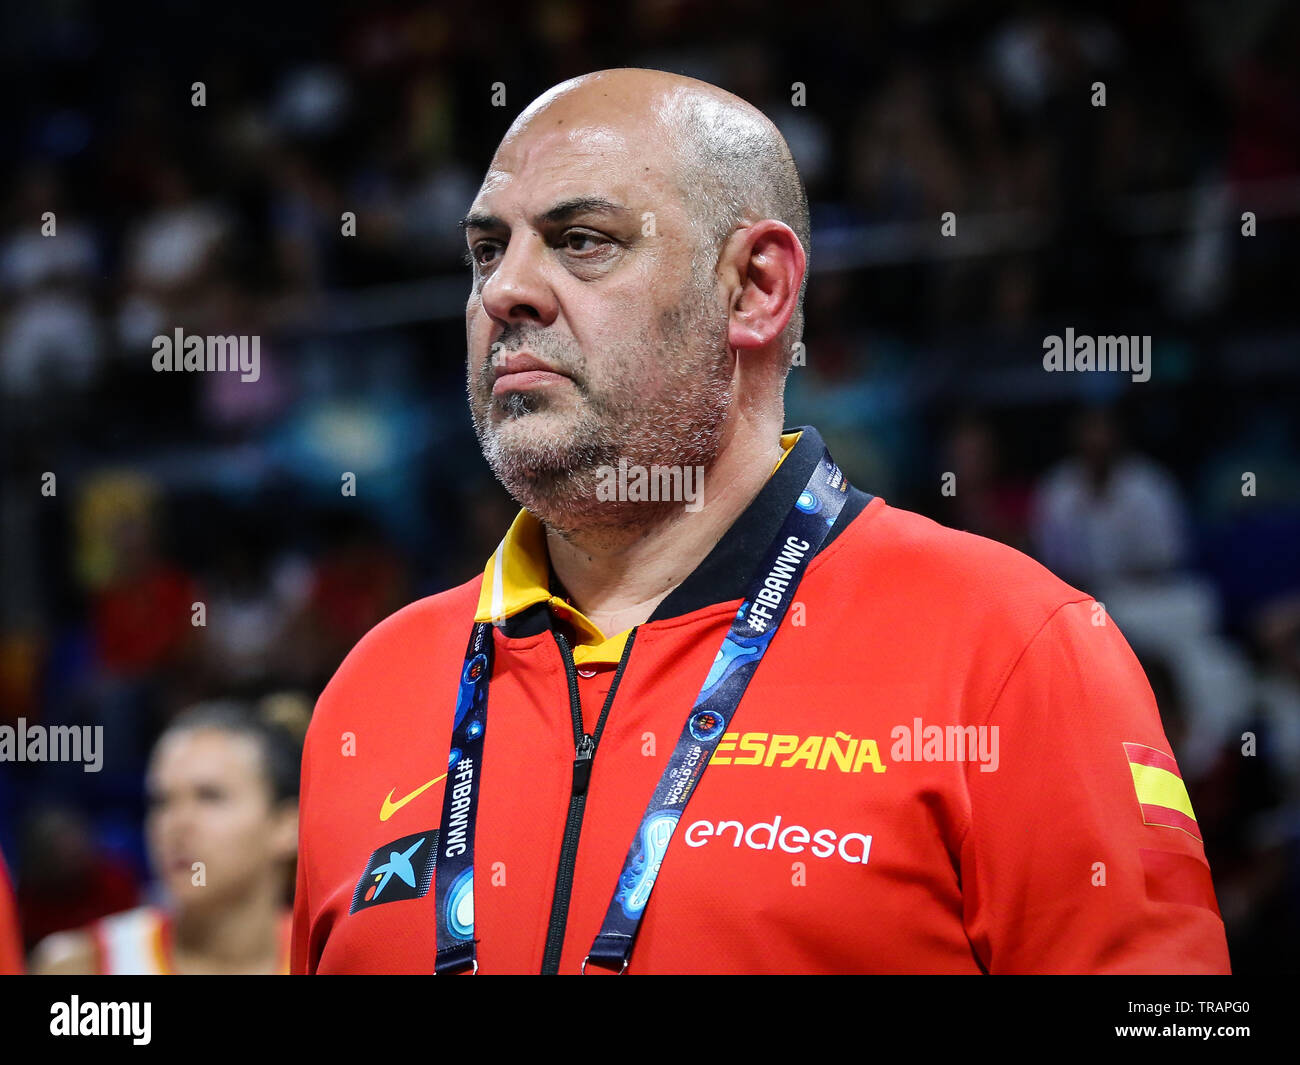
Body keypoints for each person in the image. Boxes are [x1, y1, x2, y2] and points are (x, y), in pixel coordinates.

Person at [292, 68, 1230, 974]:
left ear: (754, 289)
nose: (504, 291)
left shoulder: (1009, 647)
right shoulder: (370, 692)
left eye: (580, 240)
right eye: (487, 250)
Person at [31, 701, 299, 975]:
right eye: (161, 802)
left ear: (287, 826)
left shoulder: (322, 959)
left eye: (210, 796)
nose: (177, 824)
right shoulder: (79, 966)